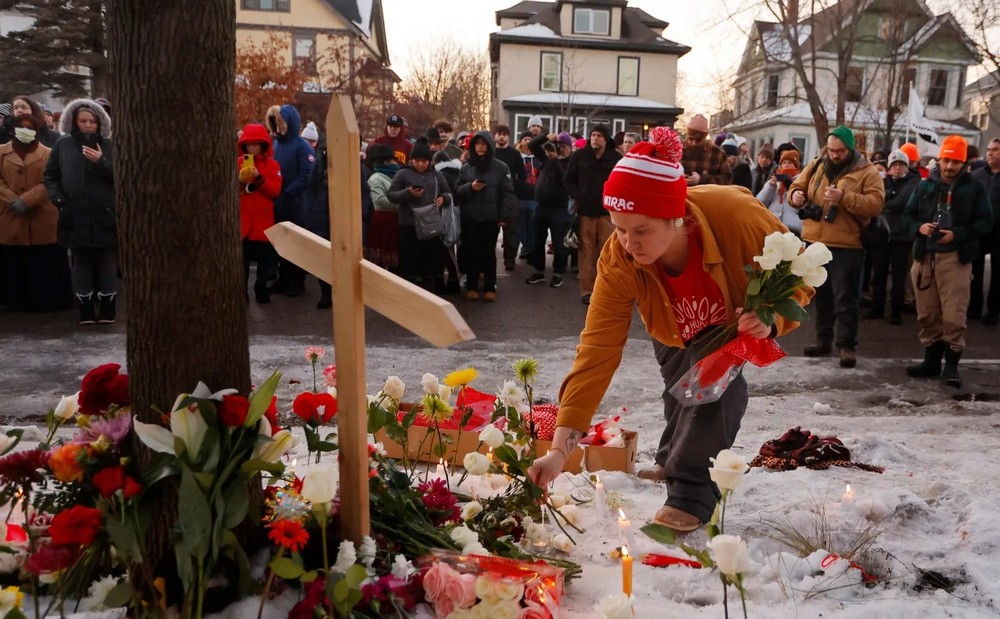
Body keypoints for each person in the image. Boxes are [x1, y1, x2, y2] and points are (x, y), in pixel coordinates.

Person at [527, 127, 812, 531]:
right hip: (672, 327)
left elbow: (802, 269)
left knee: (712, 394)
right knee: (680, 390)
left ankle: (690, 495)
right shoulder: (619, 257)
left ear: (675, 217)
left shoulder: (735, 216)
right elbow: (597, 351)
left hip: (731, 322)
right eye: (619, 228)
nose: (628, 243)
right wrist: (559, 451)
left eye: (641, 230)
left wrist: (771, 318)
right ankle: (670, 458)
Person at [788, 125, 884, 368]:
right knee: (821, 296)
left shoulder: (866, 171)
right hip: (816, 241)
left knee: (846, 297)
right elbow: (796, 186)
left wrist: (844, 198)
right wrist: (796, 196)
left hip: (847, 244)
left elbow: (876, 204)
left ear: (850, 149)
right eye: (831, 150)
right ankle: (823, 340)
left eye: (839, 151)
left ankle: (846, 345)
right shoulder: (817, 165)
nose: (834, 155)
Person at [904, 136, 993, 388]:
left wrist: (958, 234)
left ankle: (951, 366)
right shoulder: (924, 185)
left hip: (955, 258)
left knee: (954, 314)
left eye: (955, 162)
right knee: (927, 313)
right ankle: (931, 362)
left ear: (964, 163)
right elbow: (907, 216)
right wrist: (920, 227)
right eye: (946, 160)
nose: (950, 166)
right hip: (924, 256)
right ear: (939, 159)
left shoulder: (974, 188)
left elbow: (986, 221)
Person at [43, 98, 117, 325]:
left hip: (105, 213)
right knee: (81, 261)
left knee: (106, 261)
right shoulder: (63, 145)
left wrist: (102, 161)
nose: (87, 125)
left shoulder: (109, 145)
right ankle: (85, 308)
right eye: (82, 121)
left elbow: (121, 175)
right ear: (73, 122)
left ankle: (108, 307)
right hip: (74, 213)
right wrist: (58, 199)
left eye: (92, 121)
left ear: (99, 123)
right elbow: (51, 175)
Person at [0, 113, 72, 311]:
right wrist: (11, 199)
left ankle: (46, 300)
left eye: (30, 128)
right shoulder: (1, 152)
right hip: (10, 216)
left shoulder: (49, 153)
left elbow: (52, 180)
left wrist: (28, 200)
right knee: (14, 260)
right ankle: (15, 300)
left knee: (43, 260)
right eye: (21, 127)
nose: (25, 131)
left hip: (42, 216)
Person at [564, 125, 622, 305]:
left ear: (606, 139)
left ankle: (605, 289)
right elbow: (568, 180)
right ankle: (587, 291)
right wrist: (578, 194)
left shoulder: (616, 158)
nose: (595, 138)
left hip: (607, 213)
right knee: (586, 252)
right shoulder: (579, 156)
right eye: (593, 135)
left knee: (607, 252)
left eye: (599, 136)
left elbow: (622, 182)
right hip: (585, 212)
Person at [455, 132, 516, 302]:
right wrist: (470, 187)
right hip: (470, 217)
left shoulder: (501, 168)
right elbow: (457, 190)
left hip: (491, 218)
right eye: (477, 143)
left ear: (489, 146)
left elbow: (507, 194)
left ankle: (489, 287)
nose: (480, 147)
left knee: (488, 253)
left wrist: (504, 216)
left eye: (484, 143)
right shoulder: (466, 167)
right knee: (472, 252)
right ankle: (472, 286)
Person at [387, 139, 453, 293]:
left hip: (430, 224)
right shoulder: (402, 174)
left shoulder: (437, 175)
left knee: (430, 260)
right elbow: (391, 195)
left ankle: (429, 291)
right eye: (417, 161)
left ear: (429, 161)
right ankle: (410, 291)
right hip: (408, 225)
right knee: (410, 261)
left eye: (424, 161)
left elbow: (449, 193)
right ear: (411, 160)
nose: (420, 164)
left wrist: (444, 198)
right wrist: (408, 193)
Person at [265, 103, 315, 297]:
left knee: (296, 245)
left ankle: (297, 282)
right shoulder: (276, 145)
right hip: (278, 202)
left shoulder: (303, 147)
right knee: (281, 245)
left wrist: (287, 193)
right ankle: (283, 280)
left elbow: (306, 175)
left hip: (296, 204)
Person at [866, 149, 919, 324]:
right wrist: (888, 197)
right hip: (881, 235)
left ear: (906, 166)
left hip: (902, 237)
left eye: (901, 164)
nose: (897, 168)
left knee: (899, 277)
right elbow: (875, 199)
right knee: (878, 275)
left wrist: (886, 200)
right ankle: (877, 307)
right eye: (894, 165)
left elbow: (903, 202)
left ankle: (896, 310)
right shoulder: (883, 181)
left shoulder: (913, 182)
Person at [236, 123, 282, 305]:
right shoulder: (239, 163)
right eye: (248, 144)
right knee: (242, 263)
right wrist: (242, 183)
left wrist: (259, 179)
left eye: (255, 144)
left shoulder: (272, 165)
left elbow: (274, 191)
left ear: (263, 145)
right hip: (243, 222)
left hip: (263, 222)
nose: (251, 148)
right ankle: (242, 293)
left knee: (264, 263)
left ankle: (260, 289)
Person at [525, 132, 572, 287]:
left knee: (559, 243)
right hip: (541, 206)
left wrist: (556, 160)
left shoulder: (570, 163)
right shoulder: (546, 159)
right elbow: (532, 145)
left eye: (562, 146)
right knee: (537, 241)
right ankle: (538, 270)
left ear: (569, 147)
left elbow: (565, 180)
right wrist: (546, 137)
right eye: (557, 145)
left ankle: (558, 273)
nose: (559, 149)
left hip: (559, 208)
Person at [969, 138, 1000, 325]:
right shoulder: (977, 175)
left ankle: (993, 311)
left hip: (998, 230)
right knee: (975, 270)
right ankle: (974, 307)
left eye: (995, 149)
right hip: (979, 229)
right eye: (988, 149)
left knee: (997, 273)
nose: (990, 153)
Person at [492, 125, 529, 271]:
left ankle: (510, 260)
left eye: (504, 134)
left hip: (509, 197)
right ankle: (489, 261)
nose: (501, 137)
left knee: (510, 232)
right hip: (492, 196)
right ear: (495, 136)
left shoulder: (514, 154)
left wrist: (514, 188)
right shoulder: (491, 153)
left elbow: (522, 175)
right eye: (499, 134)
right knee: (491, 231)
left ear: (508, 136)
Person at [365, 144, 401, 272]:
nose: (396, 164)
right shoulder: (376, 178)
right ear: (386, 162)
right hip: (382, 221)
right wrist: (400, 206)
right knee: (381, 253)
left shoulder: (391, 177)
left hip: (391, 221)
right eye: (393, 161)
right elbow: (379, 200)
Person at [756, 148, 802, 235]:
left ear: (796, 166)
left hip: (792, 229)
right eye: (784, 163)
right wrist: (770, 186)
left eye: (790, 163)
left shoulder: (801, 181)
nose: (786, 165)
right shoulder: (774, 181)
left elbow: (803, 205)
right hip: (772, 226)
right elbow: (759, 202)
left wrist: (790, 187)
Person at [681, 114, 732, 186]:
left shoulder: (717, 153)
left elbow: (727, 179)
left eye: (698, 140)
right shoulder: (676, 150)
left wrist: (701, 179)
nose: (693, 143)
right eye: (690, 139)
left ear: (704, 138)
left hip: (705, 193)